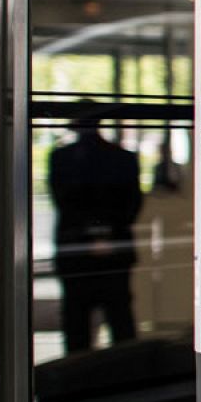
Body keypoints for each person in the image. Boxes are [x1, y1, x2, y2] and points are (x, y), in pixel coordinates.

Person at [49, 109, 144, 353]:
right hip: (113, 248)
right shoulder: (122, 158)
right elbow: (132, 205)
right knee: (119, 317)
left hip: (76, 249)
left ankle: (76, 381)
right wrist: (106, 234)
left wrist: (89, 234)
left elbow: (63, 202)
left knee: (77, 321)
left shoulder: (62, 158)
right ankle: (127, 376)